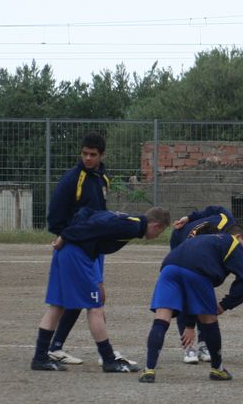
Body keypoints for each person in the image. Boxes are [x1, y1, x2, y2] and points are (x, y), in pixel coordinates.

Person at [29, 206, 171, 372]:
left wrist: (66, 236)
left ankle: (40, 357)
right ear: (156, 225)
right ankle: (108, 360)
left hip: (68, 252)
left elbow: (86, 212)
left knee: (57, 306)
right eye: (160, 232)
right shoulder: (131, 226)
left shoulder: (128, 220)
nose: (157, 236)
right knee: (95, 307)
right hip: (77, 255)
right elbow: (95, 226)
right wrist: (65, 235)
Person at [139, 224, 243, 384]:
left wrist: (189, 325)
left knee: (161, 319)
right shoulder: (233, 242)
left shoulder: (200, 239)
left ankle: (148, 369)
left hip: (169, 268)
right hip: (198, 272)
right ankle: (217, 369)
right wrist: (225, 304)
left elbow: (187, 290)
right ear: (238, 237)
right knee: (209, 320)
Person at [44, 131, 118, 367]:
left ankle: (55, 347)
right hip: (78, 249)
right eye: (85, 153)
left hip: (95, 248)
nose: (87, 158)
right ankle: (105, 354)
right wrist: (66, 235)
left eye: (93, 154)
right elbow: (54, 217)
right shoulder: (73, 179)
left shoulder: (102, 179)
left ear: (101, 155)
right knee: (92, 298)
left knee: (82, 298)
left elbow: (99, 215)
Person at [169, 205, 235, 364]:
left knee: (204, 294)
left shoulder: (227, 224)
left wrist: (189, 217)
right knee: (185, 296)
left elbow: (215, 209)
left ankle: (204, 343)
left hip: (201, 257)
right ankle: (188, 347)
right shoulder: (184, 237)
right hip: (181, 248)